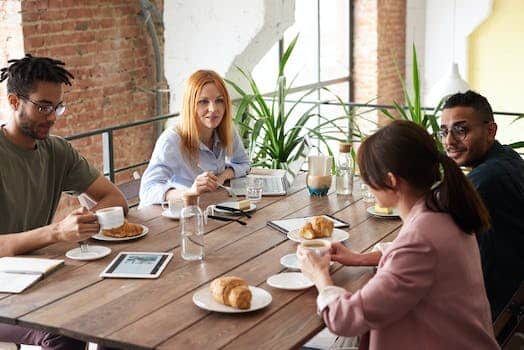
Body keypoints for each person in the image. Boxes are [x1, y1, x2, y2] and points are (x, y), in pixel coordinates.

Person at [297, 120, 499, 349]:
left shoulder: (420, 240)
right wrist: (359, 258)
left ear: (391, 181)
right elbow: (419, 262)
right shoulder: (445, 209)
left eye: (367, 178)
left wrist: (319, 275)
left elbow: (346, 319)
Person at [0, 54, 127, 349]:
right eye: (44, 106)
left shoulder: (57, 151)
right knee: (65, 332)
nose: (53, 116)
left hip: (38, 275)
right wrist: (57, 232)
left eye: (57, 107)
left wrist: (85, 220)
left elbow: (115, 199)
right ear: (14, 101)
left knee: (120, 308)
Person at [441, 90, 524, 320]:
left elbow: (435, 242)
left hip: (491, 309)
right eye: (444, 131)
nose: (449, 141)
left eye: (461, 129)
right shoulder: (507, 157)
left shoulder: (486, 180)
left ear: (490, 131)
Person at [139, 69, 250, 206]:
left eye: (219, 100)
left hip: (213, 208)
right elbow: (147, 191)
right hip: (180, 214)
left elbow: (243, 163)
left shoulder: (226, 130)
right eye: (203, 101)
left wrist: (223, 176)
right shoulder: (172, 139)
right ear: (191, 105)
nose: (213, 109)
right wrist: (190, 192)